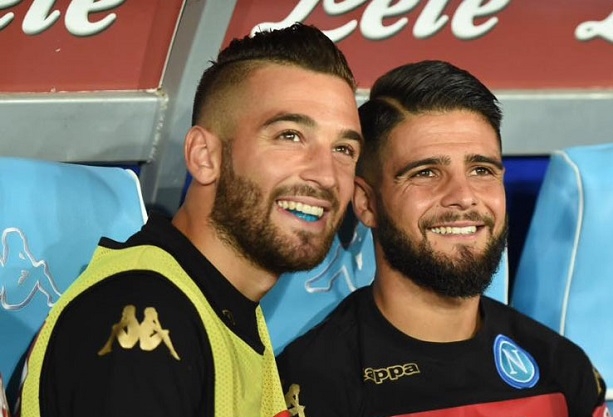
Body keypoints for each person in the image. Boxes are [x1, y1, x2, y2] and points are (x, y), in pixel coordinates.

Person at [17, 23, 362, 417]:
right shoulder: (148, 315)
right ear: (204, 156)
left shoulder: (221, 306)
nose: (326, 175)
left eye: (344, 149)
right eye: (290, 136)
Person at [276, 60, 609, 417]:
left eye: (481, 170)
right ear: (367, 203)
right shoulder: (315, 385)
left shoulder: (561, 369)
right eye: (426, 172)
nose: (464, 196)